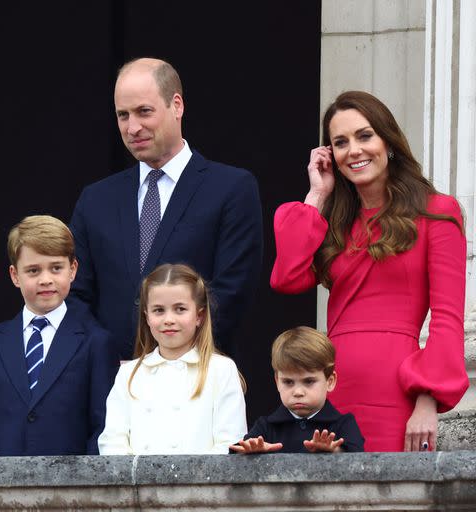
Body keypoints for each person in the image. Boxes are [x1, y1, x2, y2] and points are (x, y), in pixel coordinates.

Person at [271, 91, 469, 452]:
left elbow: (447, 319)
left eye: (365, 136)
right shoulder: (335, 220)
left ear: (387, 141)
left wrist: (427, 401)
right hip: (331, 388)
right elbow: (287, 278)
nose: (355, 150)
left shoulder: (437, 212)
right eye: (340, 142)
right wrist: (316, 196)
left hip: (395, 391)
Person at [69, 57, 263, 361]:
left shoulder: (231, 189)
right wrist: (107, 359)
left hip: (196, 377)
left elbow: (232, 292)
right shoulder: (95, 199)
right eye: (123, 115)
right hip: (112, 381)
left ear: (177, 105)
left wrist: (168, 358)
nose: (133, 127)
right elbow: (76, 294)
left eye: (144, 111)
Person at [0, 215, 118, 456]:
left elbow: (104, 426)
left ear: (73, 270)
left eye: (56, 268)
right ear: (15, 275)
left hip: (72, 488)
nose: (46, 279)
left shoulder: (96, 342)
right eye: (33, 270)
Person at [98, 263, 247, 455]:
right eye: (159, 310)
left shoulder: (221, 370)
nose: (169, 319)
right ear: (147, 317)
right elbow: (112, 442)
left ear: (199, 316)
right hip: (139, 484)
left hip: (202, 484)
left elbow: (229, 443)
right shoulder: (128, 374)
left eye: (180, 309)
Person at [231, 326, 364, 454]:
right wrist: (251, 453)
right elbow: (232, 460)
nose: (298, 392)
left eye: (309, 381)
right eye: (288, 382)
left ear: (330, 381)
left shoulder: (343, 424)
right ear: (277, 381)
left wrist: (334, 451)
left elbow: (361, 462)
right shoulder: (265, 427)